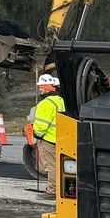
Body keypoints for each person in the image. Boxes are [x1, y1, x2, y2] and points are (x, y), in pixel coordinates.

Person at [24, 71, 65, 199]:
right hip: (59, 139)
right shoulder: (60, 100)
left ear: (47, 88)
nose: (40, 89)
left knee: (50, 166)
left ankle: (52, 191)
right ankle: (62, 189)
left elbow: (42, 125)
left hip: (47, 139)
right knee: (59, 166)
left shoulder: (45, 104)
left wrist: (36, 135)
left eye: (41, 87)